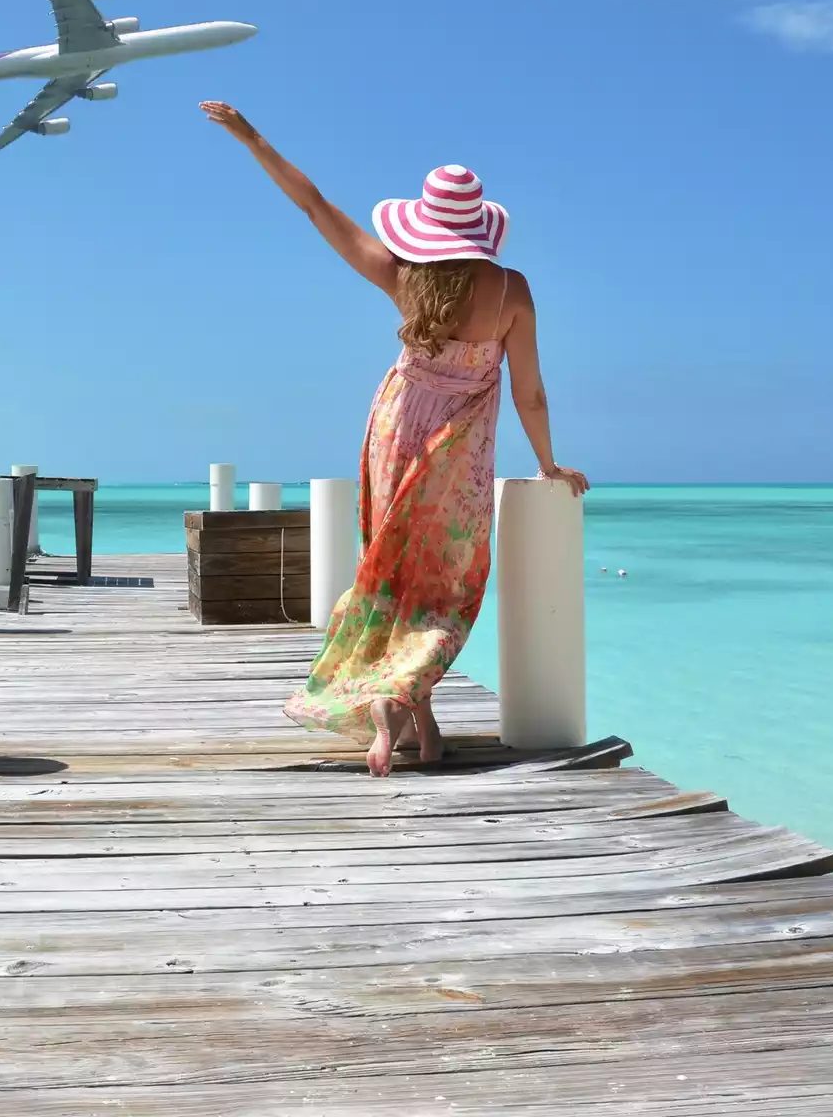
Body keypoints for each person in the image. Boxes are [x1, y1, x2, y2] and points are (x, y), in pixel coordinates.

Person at [201, 101, 588, 778]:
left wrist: (250, 136)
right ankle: (399, 709)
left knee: (387, 573)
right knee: (444, 585)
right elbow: (531, 392)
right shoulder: (513, 291)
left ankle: (413, 723)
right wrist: (549, 464)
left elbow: (314, 205)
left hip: (393, 432)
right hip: (459, 457)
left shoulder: (400, 275)